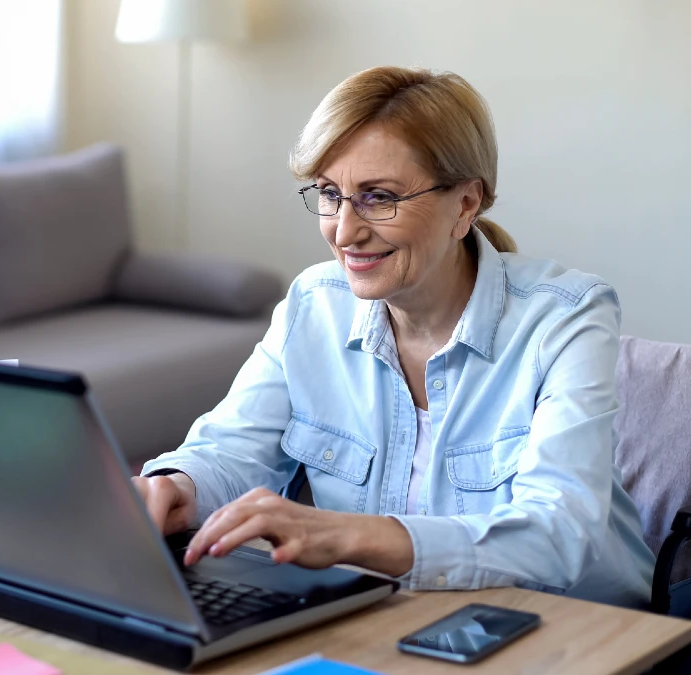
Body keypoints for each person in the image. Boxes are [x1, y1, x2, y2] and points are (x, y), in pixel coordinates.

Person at [134, 66, 655, 607]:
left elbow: (558, 534)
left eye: (378, 197)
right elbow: (233, 451)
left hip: (574, 630)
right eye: (330, 194)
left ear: (466, 204)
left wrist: (346, 535)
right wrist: (179, 487)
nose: (344, 231)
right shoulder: (314, 305)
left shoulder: (567, 318)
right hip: (393, 620)